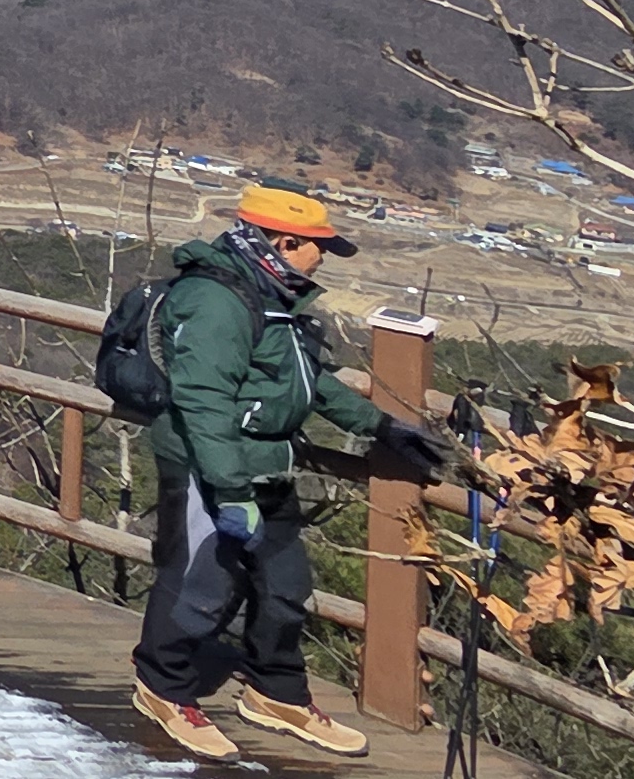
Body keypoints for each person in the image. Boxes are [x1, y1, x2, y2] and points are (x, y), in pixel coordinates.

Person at [133, 183, 452, 760]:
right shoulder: (216, 300)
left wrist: (380, 426)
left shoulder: (269, 294)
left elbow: (305, 380)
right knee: (199, 585)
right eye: (317, 246)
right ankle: (163, 687)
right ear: (283, 242)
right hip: (211, 467)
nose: (322, 257)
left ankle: (275, 694)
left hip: (265, 465)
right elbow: (203, 402)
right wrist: (230, 490)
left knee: (285, 587)